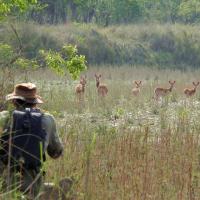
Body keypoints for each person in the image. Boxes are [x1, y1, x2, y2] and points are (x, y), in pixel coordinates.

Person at [0, 82, 63, 199]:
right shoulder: (48, 119)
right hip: (34, 185)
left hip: (5, 184)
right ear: (35, 102)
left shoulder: (3, 117)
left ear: (14, 101)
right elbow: (56, 152)